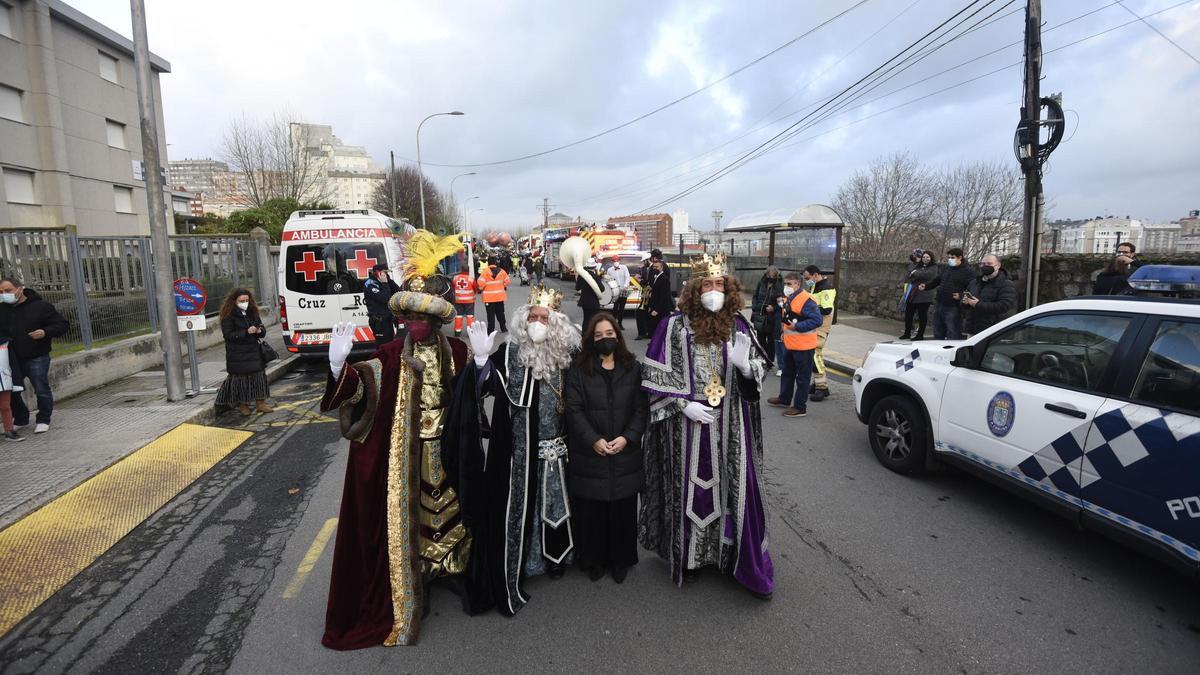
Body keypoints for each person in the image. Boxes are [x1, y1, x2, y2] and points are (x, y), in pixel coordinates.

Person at [320, 232, 493, 649]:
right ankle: (417, 573)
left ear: (435, 321)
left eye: (424, 318)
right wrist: (339, 365)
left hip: (449, 447)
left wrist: (483, 362)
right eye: (410, 317)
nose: (416, 325)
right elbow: (364, 386)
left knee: (451, 507)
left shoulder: (456, 350)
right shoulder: (392, 354)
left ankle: (449, 565)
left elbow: (476, 395)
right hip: (409, 451)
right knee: (411, 511)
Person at [640, 252, 774, 599]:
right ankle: (690, 557)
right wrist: (683, 405)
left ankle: (729, 556)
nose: (713, 290)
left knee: (734, 488)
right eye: (706, 284)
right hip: (688, 427)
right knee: (688, 488)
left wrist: (746, 370)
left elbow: (759, 370)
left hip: (731, 424)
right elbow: (653, 376)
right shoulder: (673, 326)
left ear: (727, 288)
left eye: (718, 284)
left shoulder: (740, 325)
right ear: (694, 288)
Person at [459, 284, 581, 613]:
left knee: (557, 502)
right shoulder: (511, 353)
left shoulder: (567, 356)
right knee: (523, 506)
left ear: (555, 322)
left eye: (544, 317)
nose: (538, 323)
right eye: (533, 317)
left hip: (563, 446)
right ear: (524, 319)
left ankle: (560, 557)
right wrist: (482, 359)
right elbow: (485, 387)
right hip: (520, 450)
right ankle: (529, 562)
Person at [565, 312, 647, 584]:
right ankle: (594, 560)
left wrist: (627, 438)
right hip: (591, 452)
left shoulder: (632, 367)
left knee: (623, 511)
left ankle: (620, 560)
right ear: (591, 339)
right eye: (598, 335)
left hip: (625, 452)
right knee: (593, 512)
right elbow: (573, 409)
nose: (605, 339)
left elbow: (640, 409)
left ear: (618, 336)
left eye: (609, 334)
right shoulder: (579, 368)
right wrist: (593, 439)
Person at [0, 277, 69, 434]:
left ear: (20, 289)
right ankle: (21, 418)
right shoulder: (2, 309)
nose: (4, 295)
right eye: (1, 292)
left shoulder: (40, 307)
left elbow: (62, 324)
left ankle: (43, 418)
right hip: (10, 359)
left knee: (41, 388)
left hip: (36, 356)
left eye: (8, 290)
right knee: (12, 391)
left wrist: (45, 332)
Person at [768, 272, 823, 418]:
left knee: (802, 378)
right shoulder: (789, 298)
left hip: (804, 346)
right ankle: (784, 399)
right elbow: (788, 318)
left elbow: (817, 320)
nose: (786, 287)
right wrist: (784, 331)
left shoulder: (806, 299)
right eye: (785, 284)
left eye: (789, 284)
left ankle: (800, 407)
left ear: (798, 284)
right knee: (787, 373)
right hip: (791, 344)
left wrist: (796, 327)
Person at [216, 289, 273, 416]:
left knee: (259, 377)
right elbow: (228, 334)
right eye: (241, 301)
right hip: (237, 354)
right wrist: (246, 332)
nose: (245, 303)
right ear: (234, 301)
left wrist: (259, 330)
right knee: (241, 380)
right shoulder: (228, 315)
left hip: (254, 351)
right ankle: (243, 405)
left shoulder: (252, 312)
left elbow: (262, 328)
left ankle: (261, 403)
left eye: (247, 300)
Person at [920, 248, 973, 340]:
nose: (950, 260)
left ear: (960, 257)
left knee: (953, 332)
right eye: (948, 257)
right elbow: (938, 280)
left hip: (954, 307)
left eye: (952, 257)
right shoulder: (947, 268)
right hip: (940, 304)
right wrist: (926, 286)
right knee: (937, 330)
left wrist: (961, 296)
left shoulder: (968, 272)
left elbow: (973, 288)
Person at [803, 265, 836, 402]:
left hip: (821, 327)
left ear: (815, 275)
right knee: (814, 355)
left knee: (815, 355)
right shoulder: (814, 286)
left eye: (807, 278)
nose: (806, 281)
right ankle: (819, 383)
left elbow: (827, 309)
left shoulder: (826, 287)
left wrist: (808, 309)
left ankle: (821, 387)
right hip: (813, 326)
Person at [963, 254, 1016, 335]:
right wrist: (965, 302)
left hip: (993, 330)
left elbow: (1004, 306)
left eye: (989, 264)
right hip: (973, 329)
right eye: (983, 264)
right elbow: (965, 302)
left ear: (998, 266)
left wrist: (978, 304)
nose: (985, 266)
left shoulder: (1006, 284)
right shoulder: (975, 282)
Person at [901, 251, 938, 340]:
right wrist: (915, 273)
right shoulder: (917, 265)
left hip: (925, 295)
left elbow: (927, 275)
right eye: (924, 257)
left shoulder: (934, 267)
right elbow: (908, 274)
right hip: (913, 293)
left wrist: (915, 273)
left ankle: (920, 335)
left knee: (922, 316)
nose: (925, 259)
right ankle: (907, 333)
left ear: (931, 258)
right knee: (909, 314)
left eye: (927, 257)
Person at [363, 264, 400, 345]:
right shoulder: (370, 284)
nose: (386, 275)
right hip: (379, 321)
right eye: (384, 273)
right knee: (383, 345)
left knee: (390, 344)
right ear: (378, 273)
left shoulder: (385, 282)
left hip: (388, 320)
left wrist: (389, 281)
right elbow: (385, 298)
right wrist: (385, 284)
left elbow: (398, 292)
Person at [0, 325, 23, 442]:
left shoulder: (5, 343)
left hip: (5, 380)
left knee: (5, 406)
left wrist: (17, 381)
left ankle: (9, 431)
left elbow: (13, 363)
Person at [477, 256, 511, 333]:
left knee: (490, 315)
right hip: (499, 297)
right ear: (496, 262)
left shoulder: (485, 272)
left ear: (488, 263)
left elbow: (480, 283)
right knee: (500, 313)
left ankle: (490, 330)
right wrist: (503, 286)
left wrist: (481, 288)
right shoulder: (502, 271)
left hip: (488, 298)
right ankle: (503, 328)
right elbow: (507, 281)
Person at [644, 257, 674, 340]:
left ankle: (658, 345)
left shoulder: (664, 279)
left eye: (656, 267)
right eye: (654, 267)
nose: (655, 269)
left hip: (661, 309)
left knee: (659, 329)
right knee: (655, 328)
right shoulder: (657, 277)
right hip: (655, 306)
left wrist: (656, 309)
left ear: (661, 267)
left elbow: (663, 296)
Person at [751, 266, 784, 339]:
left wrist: (774, 308)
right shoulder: (761, 283)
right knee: (760, 338)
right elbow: (755, 295)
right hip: (760, 314)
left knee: (771, 339)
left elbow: (782, 301)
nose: (771, 277)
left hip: (772, 316)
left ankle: (769, 350)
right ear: (766, 275)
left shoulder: (780, 285)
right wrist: (755, 306)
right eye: (769, 275)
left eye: (773, 276)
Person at [576, 259, 605, 331]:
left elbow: (577, 288)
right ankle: (592, 335)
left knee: (586, 319)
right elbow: (602, 288)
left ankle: (584, 335)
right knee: (594, 320)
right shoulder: (595, 276)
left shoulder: (582, 276)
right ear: (594, 267)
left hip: (585, 302)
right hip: (594, 302)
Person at [605, 256, 631, 330]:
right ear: (612, 262)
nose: (615, 262)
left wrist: (625, 286)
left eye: (617, 260)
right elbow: (608, 280)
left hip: (624, 290)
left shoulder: (624, 268)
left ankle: (620, 324)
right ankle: (613, 324)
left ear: (619, 260)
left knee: (622, 308)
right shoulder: (610, 270)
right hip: (615, 291)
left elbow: (627, 277)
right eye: (614, 261)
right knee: (615, 307)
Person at [451, 266, 477, 336]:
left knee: (458, 316)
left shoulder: (455, 278)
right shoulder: (471, 279)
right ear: (468, 270)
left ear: (461, 270)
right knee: (470, 316)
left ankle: (457, 332)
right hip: (469, 301)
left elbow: (453, 287)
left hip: (458, 301)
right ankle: (470, 332)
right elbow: (475, 289)